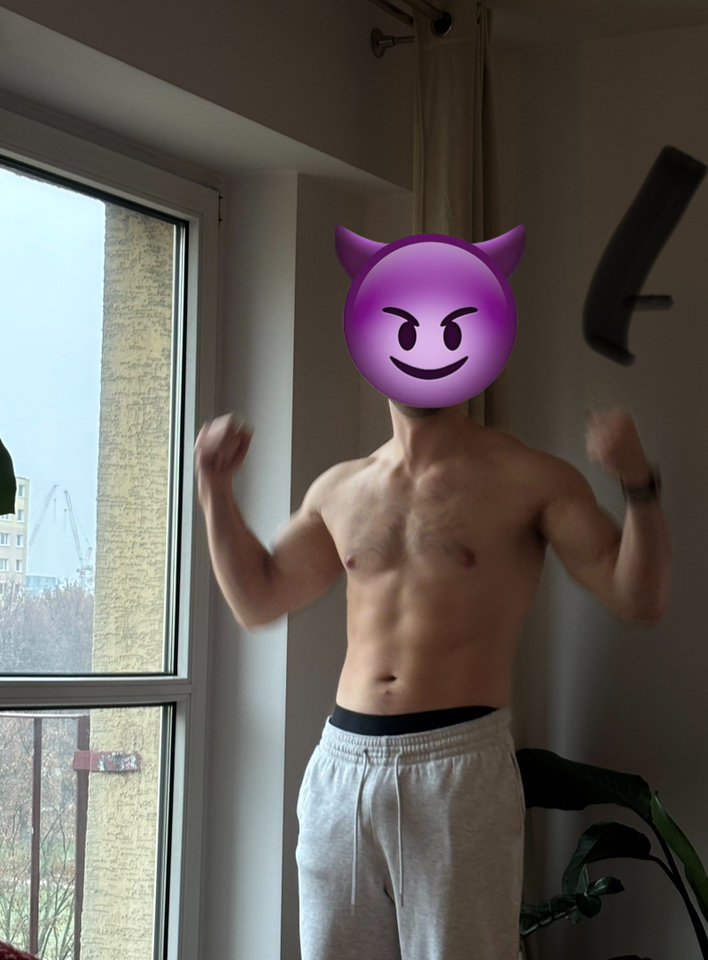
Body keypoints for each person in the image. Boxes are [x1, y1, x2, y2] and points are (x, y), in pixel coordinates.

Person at [194, 399, 671, 960]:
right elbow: (259, 598)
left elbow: (638, 597)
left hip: (456, 765)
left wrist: (637, 481)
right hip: (341, 769)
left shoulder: (530, 478)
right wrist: (214, 487)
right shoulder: (342, 487)